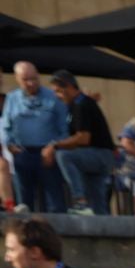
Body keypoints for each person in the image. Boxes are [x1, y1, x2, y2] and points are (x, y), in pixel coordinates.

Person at [45, 70, 114, 216]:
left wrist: (55, 146)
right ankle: (102, 225)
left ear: (69, 86)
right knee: (97, 204)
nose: (57, 96)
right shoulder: (74, 106)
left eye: (58, 91)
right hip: (94, 155)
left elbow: (83, 138)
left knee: (64, 156)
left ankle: (80, 201)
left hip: (100, 155)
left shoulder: (81, 104)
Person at [3, 62, 69, 213]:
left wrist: (54, 146)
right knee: (24, 204)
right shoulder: (12, 98)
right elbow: (6, 127)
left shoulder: (54, 97)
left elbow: (65, 129)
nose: (31, 83)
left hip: (47, 154)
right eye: (26, 79)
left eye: (34, 78)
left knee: (55, 203)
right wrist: (10, 144)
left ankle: (56, 227)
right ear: (17, 79)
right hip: (22, 153)